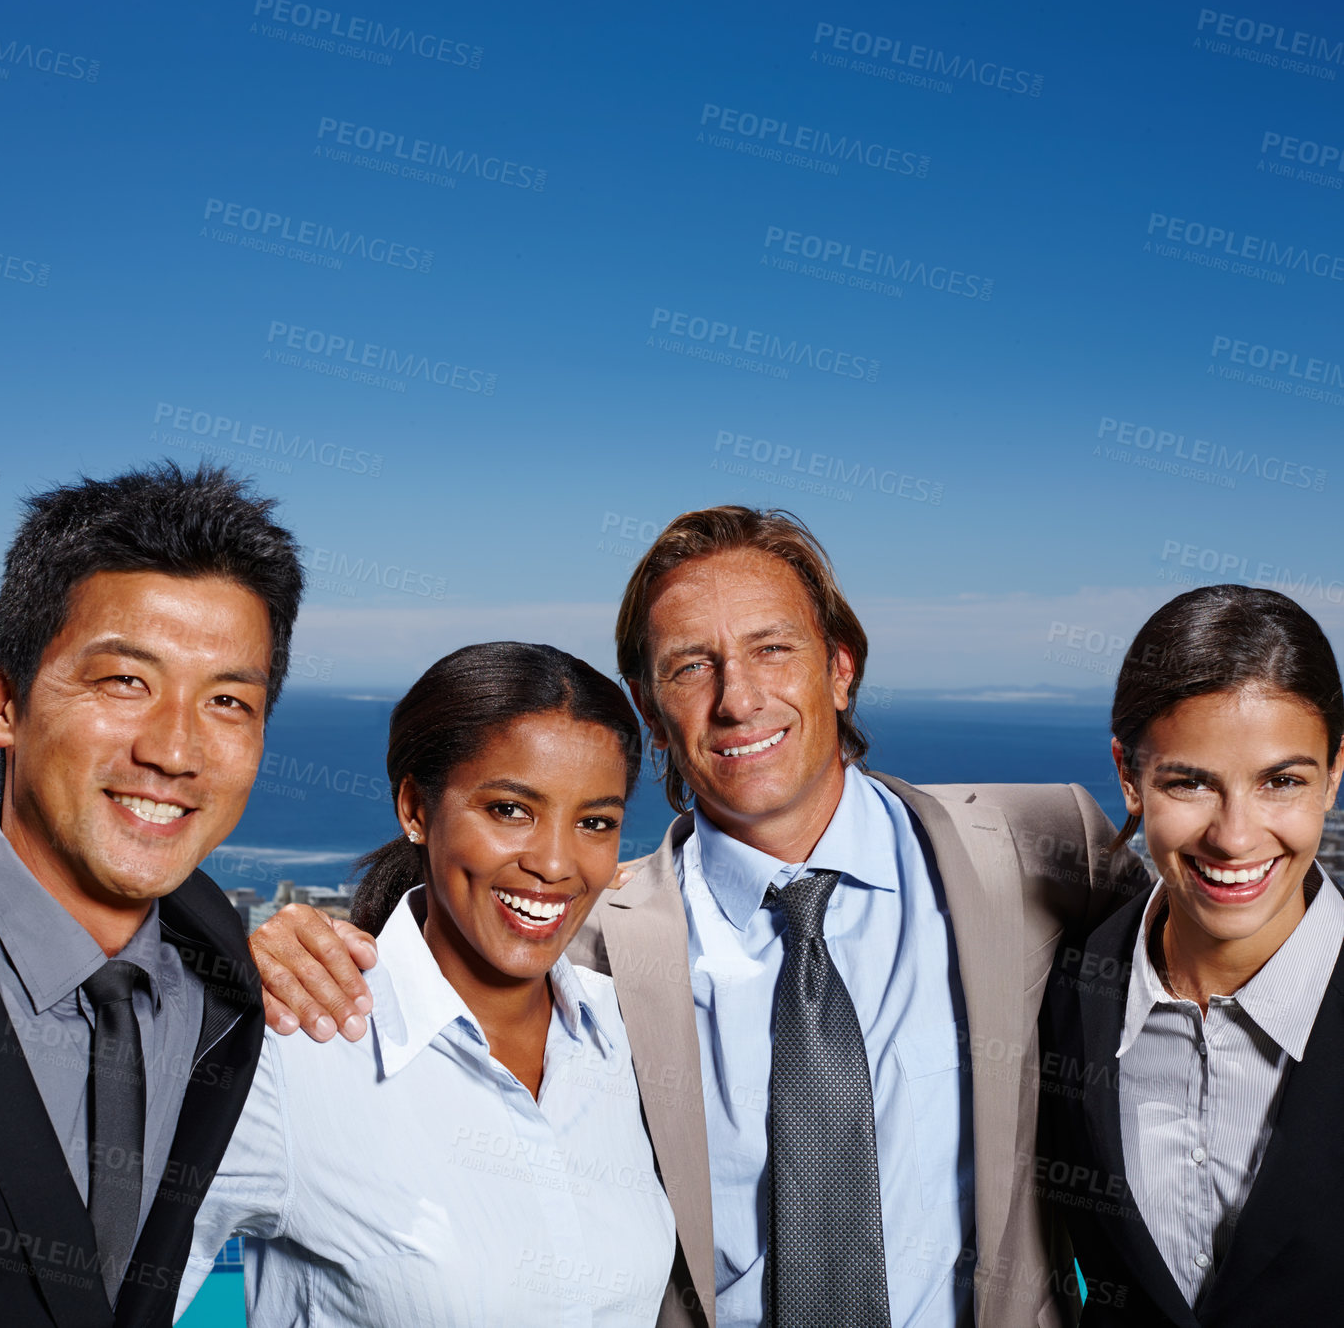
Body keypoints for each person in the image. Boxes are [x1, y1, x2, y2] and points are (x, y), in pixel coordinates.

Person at [254, 505, 1149, 1328]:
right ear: (649, 708)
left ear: (840, 667)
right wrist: (266, 950)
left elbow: (1207, 972)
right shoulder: (586, 941)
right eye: (691, 665)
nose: (738, 697)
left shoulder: (1039, 843)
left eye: (772, 650)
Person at [0, 462, 316, 1327]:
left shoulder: (230, 988)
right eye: (124, 682)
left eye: (227, 699)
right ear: (3, 700)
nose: (175, 751)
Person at [174, 642, 676, 1325]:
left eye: (595, 822)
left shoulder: (628, 1039)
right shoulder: (296, 1051)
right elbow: (102, 1284)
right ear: (415, 806)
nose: (556, 862)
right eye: (509, 809)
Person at [1038, 585, 1344, 1326]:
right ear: (1128, 777)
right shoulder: (1067, 997)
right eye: (1189, 782)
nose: (1235, 837)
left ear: (1335, 773)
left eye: (1283, 780)